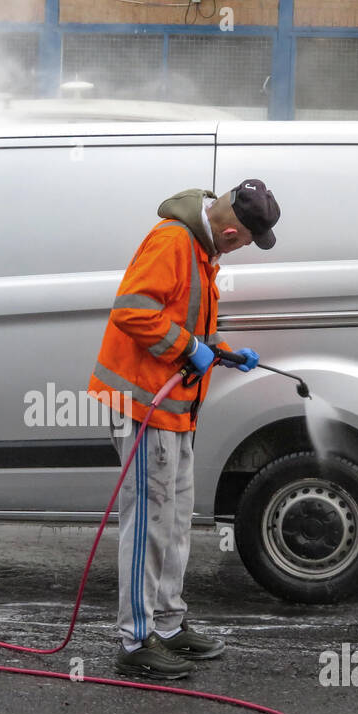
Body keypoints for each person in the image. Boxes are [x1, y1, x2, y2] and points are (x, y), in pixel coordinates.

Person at [88, 179, 281, 679]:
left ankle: (169, 626)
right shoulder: (173, 241)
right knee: (149, 526)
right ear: (233, 231)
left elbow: (185, 319)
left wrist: (218, 349)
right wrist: (185, 348)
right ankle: (135, 642)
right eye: (244, 244)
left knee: (174, 522)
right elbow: (133, 310)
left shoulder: (199, 251)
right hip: (144, 406)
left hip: (175, 411)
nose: (238, 252)